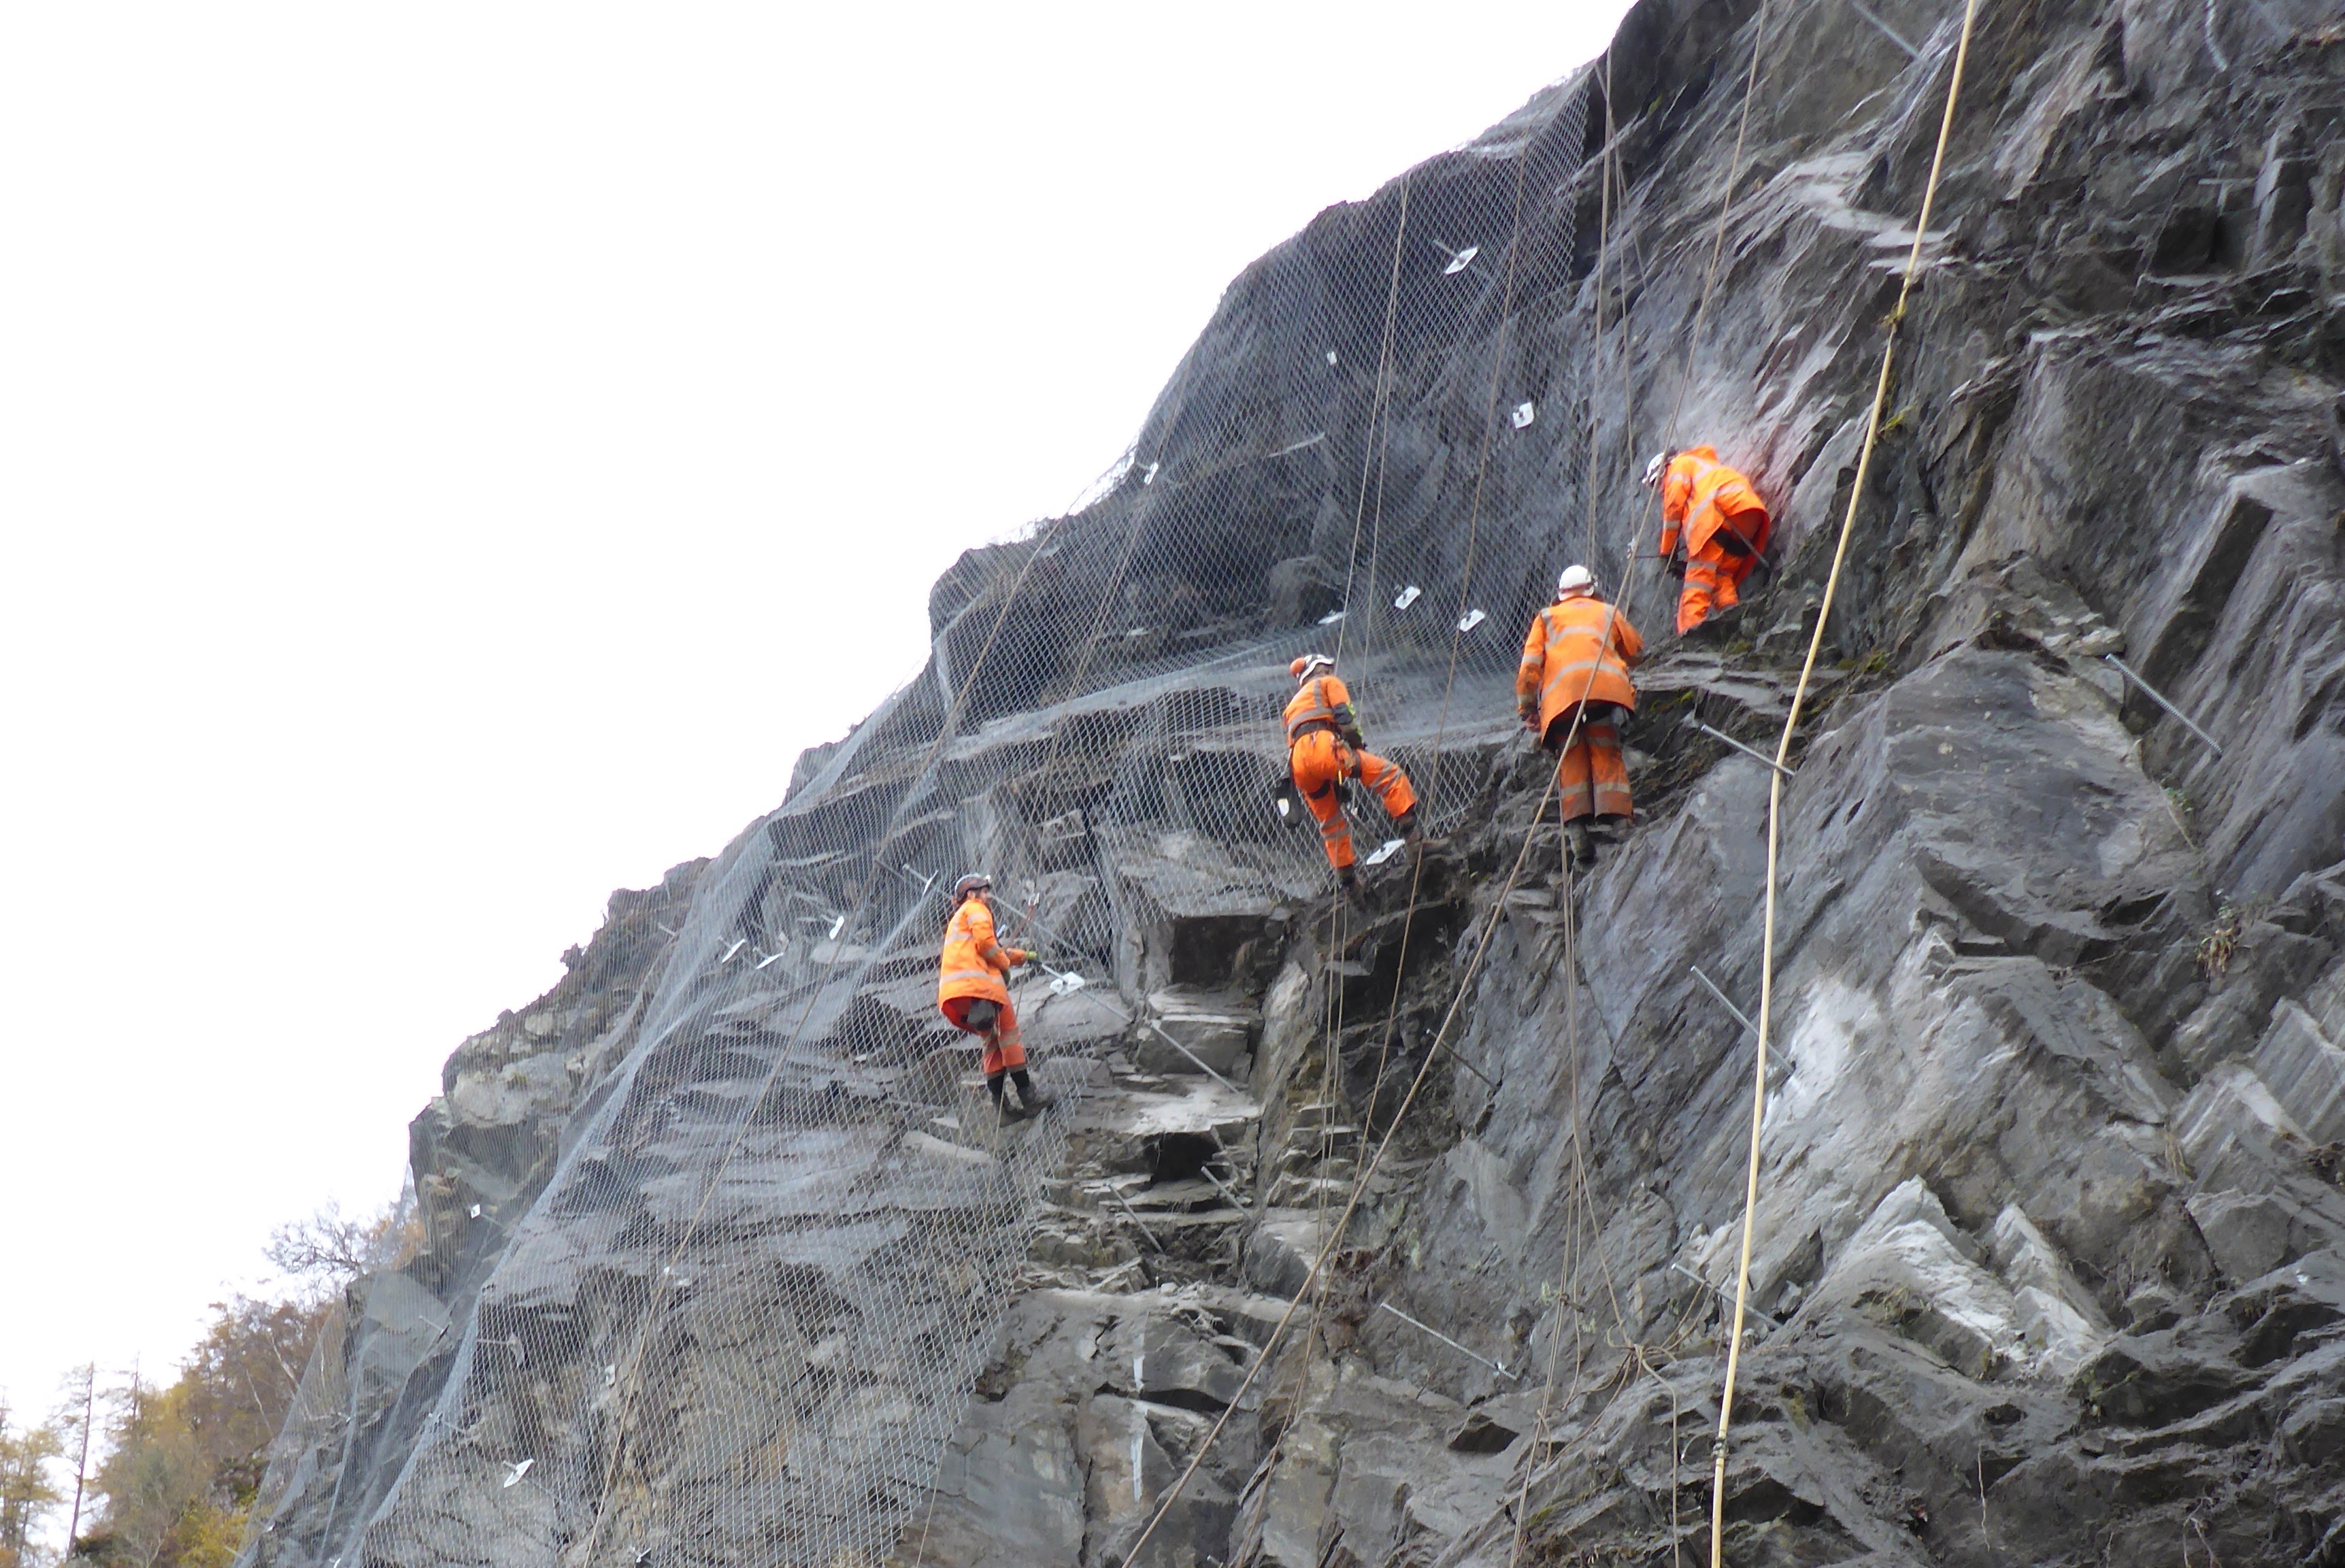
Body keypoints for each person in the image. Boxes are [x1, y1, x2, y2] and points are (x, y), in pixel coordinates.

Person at [1516, 566, 1644, 873]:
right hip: (1603, 694)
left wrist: (1527, 710)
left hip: (1562, 704)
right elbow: (1636, 651)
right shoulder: (1607, 611)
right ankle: (1620, 823)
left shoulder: (1546, 618)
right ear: (1591, 588)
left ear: (1561, 594)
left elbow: (1529, 668)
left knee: (1571, 763)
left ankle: (1578, 838)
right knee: (1606, 751)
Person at [1282, 654, 1420, 894]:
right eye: (1328, 667)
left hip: (1298, 767)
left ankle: (1349, 885)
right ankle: (1417, 844)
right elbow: (1345, 719)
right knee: (1391, 776)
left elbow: (1295, 739)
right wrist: (1356, 749)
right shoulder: (1328, 683)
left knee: (1331, 821)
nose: (1332, 671)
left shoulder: (1291, 707)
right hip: (1323, 747)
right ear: (1321, 669)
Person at [936, 873, 1052, 1121]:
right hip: (982, 989)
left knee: (991, 1044)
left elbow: (992, 948)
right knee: (1009, 1036)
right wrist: (1005, 965)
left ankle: (1002, 1110)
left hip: (961, 994)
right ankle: (1028, 1097)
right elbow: (987, 946)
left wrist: (1023, 956)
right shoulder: (977, 909)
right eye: (985, 891)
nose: (989, 896)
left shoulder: (959, 919)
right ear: (971, 894)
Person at [1646, 446, 1770, 637]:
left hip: (1716, 518)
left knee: (1696, 586)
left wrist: (1667, 553)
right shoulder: (1704, 467)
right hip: (1745, 516)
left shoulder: (1678, 466)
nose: (1660, 490)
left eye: (1657, 483)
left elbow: (1673, 509)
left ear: (1663, 469)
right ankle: (1735, 623)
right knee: (1721, 577)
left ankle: (1689, 639)